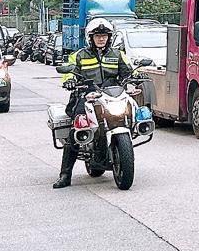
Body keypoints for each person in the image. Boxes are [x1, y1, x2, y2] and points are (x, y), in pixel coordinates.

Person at [53, 20, 136, 188]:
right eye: (98, 36)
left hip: (112, 95)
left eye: (104, 36)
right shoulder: (79, 55)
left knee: (131, 112)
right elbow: (68, 72)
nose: (101, 39)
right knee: (76, 129)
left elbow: (130, 69)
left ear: (109, 37)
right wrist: (69, 81)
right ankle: (65, 175)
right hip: (86, 95)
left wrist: (137, 76)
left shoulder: (117, 54)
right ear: (90, 38)